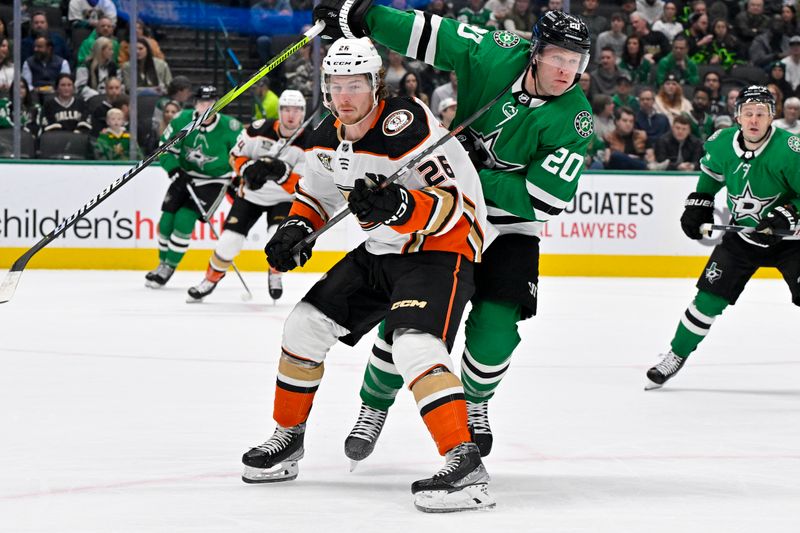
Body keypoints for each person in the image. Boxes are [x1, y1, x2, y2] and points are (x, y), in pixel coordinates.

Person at [312, 4, 592, 459]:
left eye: (575, 60)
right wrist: (362, 14)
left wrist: (470, 166)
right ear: (535, 51)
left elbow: (545, 201)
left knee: (496, 330)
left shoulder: (575, 118)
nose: (566, 70)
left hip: (510, 228)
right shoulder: (498, 52)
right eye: (558, 56)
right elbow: (429, 33)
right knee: (410, 319)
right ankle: (374, 405)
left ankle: (476, 404)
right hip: (450, 214)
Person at [241, 37, 495, 513]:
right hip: (382, 249)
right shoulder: (326, 134)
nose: (344, 96)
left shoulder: (408, 124)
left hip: (441, 247)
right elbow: (317, 196)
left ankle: (465, 464)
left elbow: (455, 205)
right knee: (303, 326)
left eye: (354, 84)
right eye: (334, 85)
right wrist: (298, 227)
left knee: (414, 344)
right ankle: (288, 440)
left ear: (376, 84)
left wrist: (402, 204)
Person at [646, 86, 800, 389]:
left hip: (791, 240)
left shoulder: (791, 149)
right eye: (748, 114)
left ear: (772, 118)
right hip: (744, 238)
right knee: (707, 299)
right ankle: (676, 355)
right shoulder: (720, 144)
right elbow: (712, 177)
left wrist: (787, 214)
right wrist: (699, 203)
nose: (754, 120)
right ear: (737, 116)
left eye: (761, 114)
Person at [187, 90, 309, 303]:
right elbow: (235, 155)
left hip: (284, 200)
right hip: (250, 195)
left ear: (303, 113)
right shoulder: (258, 129)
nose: (291, 115)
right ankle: (210, 279)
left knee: (280, 241)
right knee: (229, 242)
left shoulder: (311, 141)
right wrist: (248, 169)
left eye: (297, 110)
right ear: (279, 111)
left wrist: (281, 173)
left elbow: (303, 184)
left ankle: (275, 273)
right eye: (286, 109)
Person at [144, 86, 242, 288]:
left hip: (215, 181)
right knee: (165, 222)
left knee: (184, 219)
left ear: (218, 105)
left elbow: (243, 155)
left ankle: (169, 267)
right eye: (202, 103)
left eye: (211, 103)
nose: (206, 107)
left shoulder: (232, 127)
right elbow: (165, 148)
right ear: (196, 104)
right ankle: (161, 264)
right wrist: (174, 170)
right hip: (184, 175)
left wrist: (239, 179)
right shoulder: (182, 120)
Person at [75, 36, 118, 100]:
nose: (112, 52)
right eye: (110, 49)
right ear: (101, 50)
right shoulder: (85, 66)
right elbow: (80, 88)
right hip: (90, 99)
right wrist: (97, 96)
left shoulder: (112, 65)